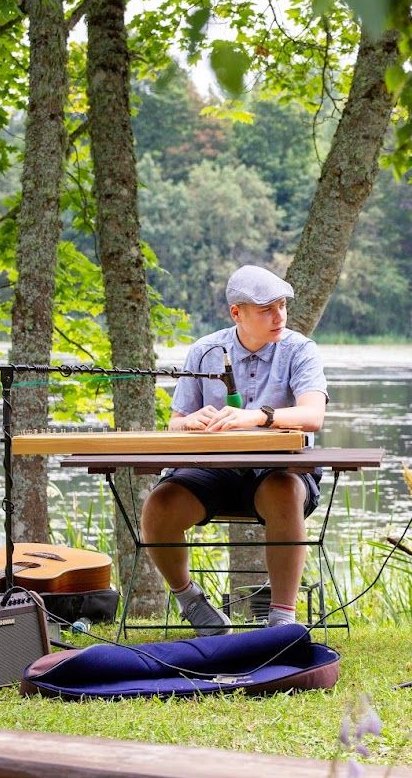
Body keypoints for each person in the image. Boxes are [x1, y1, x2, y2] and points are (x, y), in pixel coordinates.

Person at [140, 265, 328, 636]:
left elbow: (313, 416)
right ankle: (191, 602)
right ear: (236, 313)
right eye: (266, 310)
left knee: (284, 490)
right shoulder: (205, 350)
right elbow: (175, 423)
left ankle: (281, 620)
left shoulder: (300, 349)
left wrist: (258, 416)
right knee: (159, 505)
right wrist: (189, 423)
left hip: (279, 469)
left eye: (282, 306)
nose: (279, 317)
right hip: (215, 469)